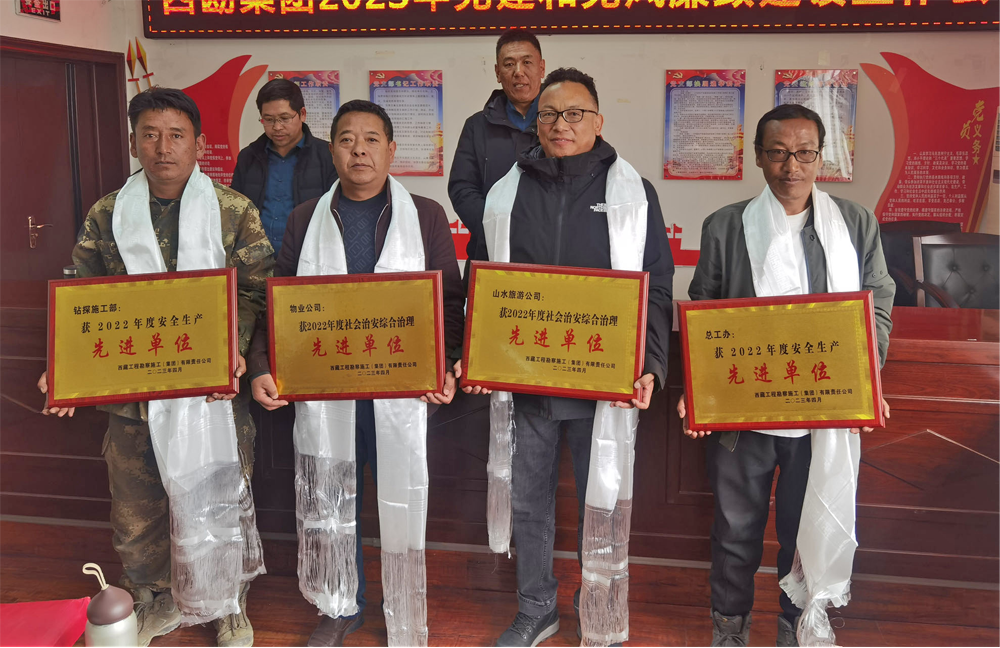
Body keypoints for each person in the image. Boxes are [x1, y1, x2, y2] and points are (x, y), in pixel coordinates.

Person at [37, 87, 274, 647]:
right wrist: (63, 366)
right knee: (137, 509)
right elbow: (83, 295)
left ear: (199, 144)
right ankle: (149, 599)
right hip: (134, 397)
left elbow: (256, 290)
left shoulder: (234, 210)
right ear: (133, 143)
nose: (163, 148)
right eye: (150, 135)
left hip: (213, 389)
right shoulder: (107, 213)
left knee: (219, 493)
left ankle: (227, 601)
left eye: (176, 135)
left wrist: (233, 346)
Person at [466, 68, 674, 647]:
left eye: (575, 113)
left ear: (598, 121)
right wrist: (475, 354)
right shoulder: (506, 192)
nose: (562, 124)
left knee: (596, 501)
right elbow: (482, 279)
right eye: (550, 114)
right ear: (536, 123)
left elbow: (655, 283)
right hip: (527, 382)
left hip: (600, 385)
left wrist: (652, 363)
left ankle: (595, 603)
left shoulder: (632, 192)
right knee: (529, 500)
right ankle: (536, 607)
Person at [247, 100, 465, 647]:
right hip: (329, 390)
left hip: (400, 391)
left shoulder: (426, 215)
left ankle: (402, 605)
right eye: (346, 140)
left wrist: (446, 365)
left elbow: (448, 300)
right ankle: (340, 604)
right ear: (332, 151)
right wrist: (263, 365)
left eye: (371, 140)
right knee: (332, 497)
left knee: (399, 496)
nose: (359, 150)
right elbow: (280, 303)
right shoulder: (305, 218)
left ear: (391, 150)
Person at [678, 104, 895, 647]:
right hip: (743, 416)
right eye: (777, 152)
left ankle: (793, 628)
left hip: (821, 413)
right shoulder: (726, 225)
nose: (791, 166)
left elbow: (877, 303)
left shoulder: (855, 223)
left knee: (804, 529)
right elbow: (704, 309)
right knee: (735, 531)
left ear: (822, 158)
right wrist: (699, 388)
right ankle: (729, 630)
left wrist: (866, 378)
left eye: (804, 153)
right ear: (758, 157)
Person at [448, 29, 544, 276]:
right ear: (497, 73)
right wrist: (497, 229)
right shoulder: (477, 126)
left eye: (527, 62)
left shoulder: (561, 123)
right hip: (488, 253)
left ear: (541, 68)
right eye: (509, 64)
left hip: (548, 253)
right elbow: (462, 189)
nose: (518, 72)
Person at [232, 77, 338, 253]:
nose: (277, 127)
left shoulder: (328, 156)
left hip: (307, 255)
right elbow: (235, 211)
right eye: (269, 119)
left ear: (302, 114)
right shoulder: (248, 157)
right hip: (256, 259)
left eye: (284, 118)